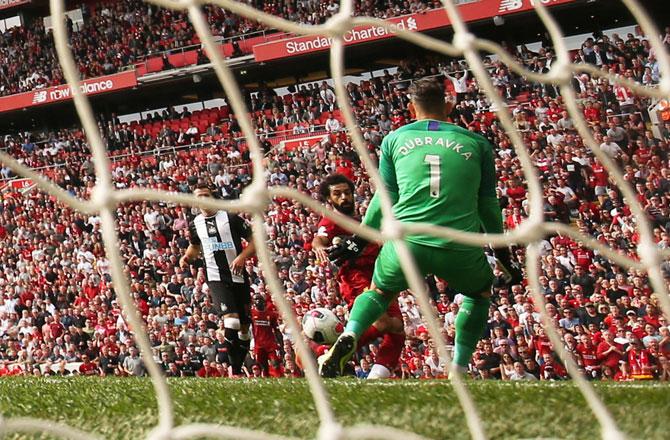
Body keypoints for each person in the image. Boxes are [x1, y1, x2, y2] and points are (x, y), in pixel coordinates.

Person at [319, 78, 520, 378]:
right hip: (457, 243)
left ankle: (351, 332)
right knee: (480, 294)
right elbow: (488, 206)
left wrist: (359, 240)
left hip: (406, 241)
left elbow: (385, 197)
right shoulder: (477, 144)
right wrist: (504, 254)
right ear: (449, 104)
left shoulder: (394, 140)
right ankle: (459, 366)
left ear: (412, 108)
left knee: (379, 292)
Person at [312, 173, 405, 379]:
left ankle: (376, 378)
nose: (344, 197)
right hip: (357, 278)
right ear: (329, 199)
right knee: (381, 323)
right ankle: (327, 354)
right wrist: (318, 247)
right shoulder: (331, 220)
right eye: (337, 194)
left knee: (397, 330)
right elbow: (320, 238)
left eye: (347, 192)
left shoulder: (360, 220)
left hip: (380, 274)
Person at [180, 183, 256, 375]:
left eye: (206, 195)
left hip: (238, 276)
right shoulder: (195, 224)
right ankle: (235, 371)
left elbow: (255, 241)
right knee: (231, 323)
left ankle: (238, 366)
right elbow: (195, 246)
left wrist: (241, 257)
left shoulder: (230, 218)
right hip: (215, 278)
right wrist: (187, 257)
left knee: (245, 328)